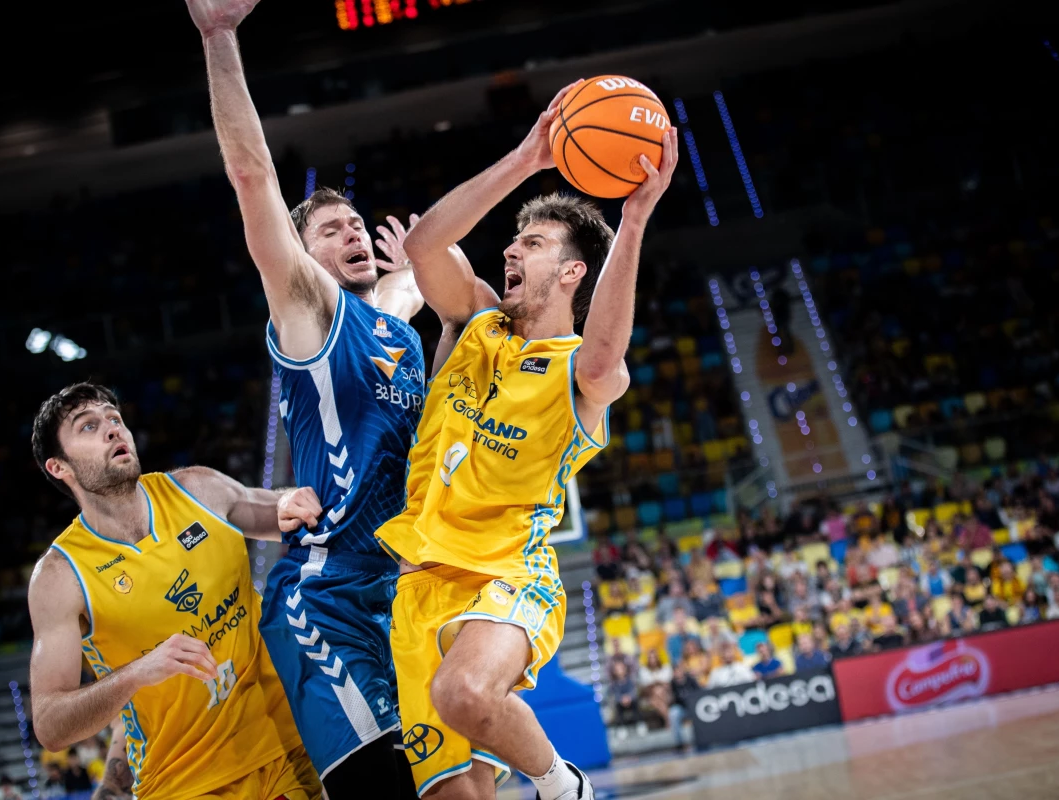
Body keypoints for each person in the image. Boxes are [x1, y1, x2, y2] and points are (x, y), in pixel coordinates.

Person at [374, 81, 678, 798]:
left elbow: (605, 362)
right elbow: (424, 245)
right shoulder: (478, 320)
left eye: (533, 243)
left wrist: (632, 223)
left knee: (466, 694)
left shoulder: (581, 374)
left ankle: (562, 785)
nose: (512, 249)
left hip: (507, 574)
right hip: (416, 587)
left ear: (573, 271)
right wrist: (526, 158)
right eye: (514, 240)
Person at [184, 0, 430, 795]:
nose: (352, 232)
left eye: (357, 223)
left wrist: (424, 254)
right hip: (325, 599)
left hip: (399, 590)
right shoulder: (307, 310)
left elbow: (412, 286)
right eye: (331, 230)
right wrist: (220, 38)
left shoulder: (388, 320)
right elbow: (252, 173)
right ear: (302, 256)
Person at [26, 383, 320, 800]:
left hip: (290, 745)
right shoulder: (60, 576)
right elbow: (51, 725)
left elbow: (278, 509)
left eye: (114, 419)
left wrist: (290, 497)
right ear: (59, 467)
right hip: (184, 783)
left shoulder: (197, 490)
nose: (113, 430)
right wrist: (138, 673)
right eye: (88, 427)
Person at [668, 664, 701, 751]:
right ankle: (679, 743)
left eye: (679, 670)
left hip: (695, 706)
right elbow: (674, 699)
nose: (677, 673)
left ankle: (700, 739)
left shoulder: (691, 680)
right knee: (673, 713)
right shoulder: (673, 683)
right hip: (682, 708)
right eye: (675, 671)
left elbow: (699, 692)